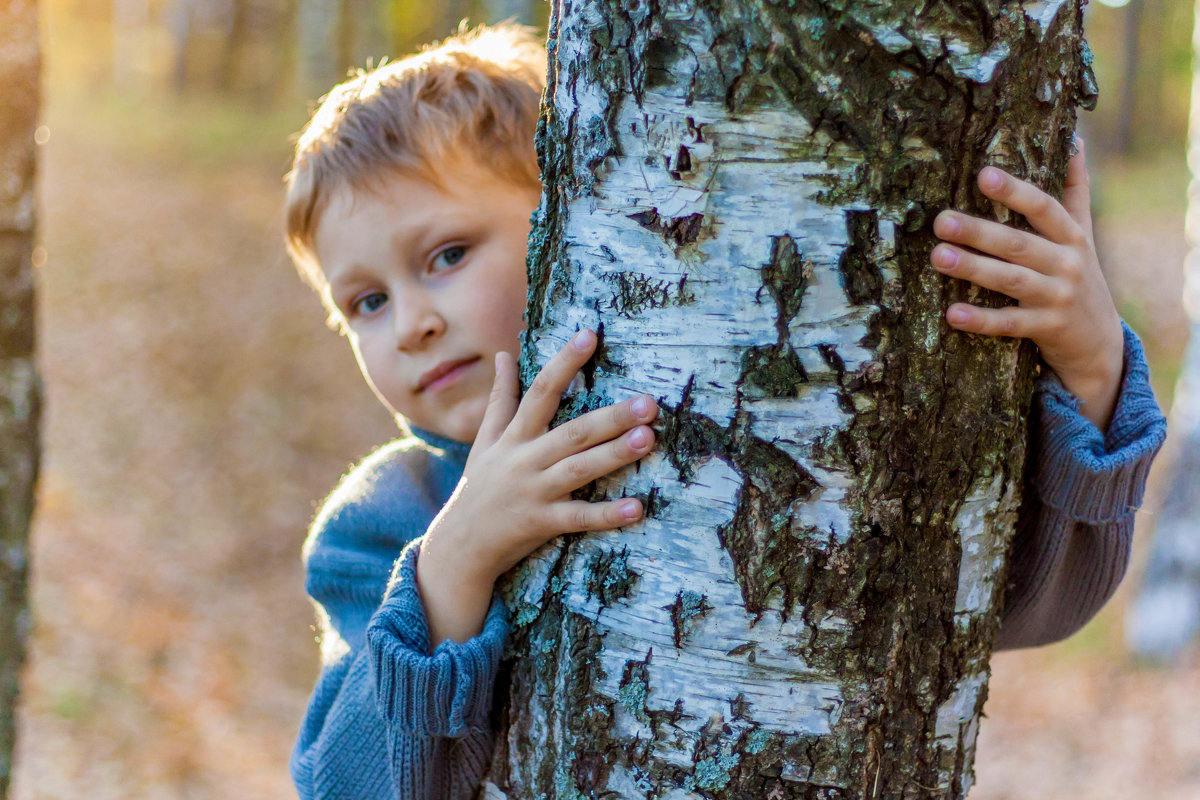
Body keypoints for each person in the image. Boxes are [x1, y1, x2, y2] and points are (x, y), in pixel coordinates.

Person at [281, 23, 1166, 800]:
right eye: (365, 303)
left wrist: (1090, 366)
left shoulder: (716, 418)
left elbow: (1029, 609)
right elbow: (341, 785)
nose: (413, 324)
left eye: (445, 254)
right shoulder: (386, 522)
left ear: (573, 220)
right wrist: (454, 567)